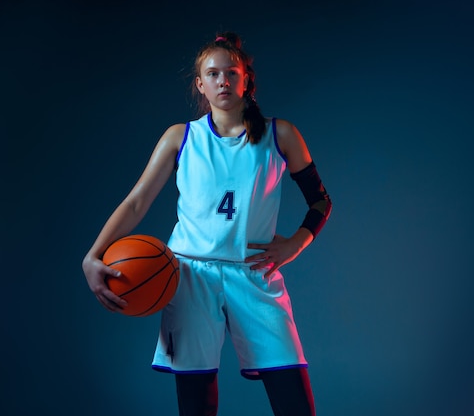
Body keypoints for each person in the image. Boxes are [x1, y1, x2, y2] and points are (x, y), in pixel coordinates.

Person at [81, 31, 331, 416]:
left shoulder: (281, 135)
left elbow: (320, 201)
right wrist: (93, 255)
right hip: (189, 276)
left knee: (294, 401)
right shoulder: (180, 138)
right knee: (197, 404)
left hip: (253, 273)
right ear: (200, 84)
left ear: (246, 78)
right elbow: (136, 202)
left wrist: (295, 243)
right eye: (212, 74)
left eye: (231, 72)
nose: (223, 81)